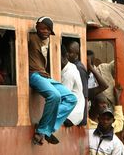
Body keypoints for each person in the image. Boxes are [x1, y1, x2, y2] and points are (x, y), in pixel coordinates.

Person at [29, 16, 77, 145]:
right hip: (34, 75)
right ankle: (42, 129)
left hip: (45, 76)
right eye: (42, 28)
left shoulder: (47, 41)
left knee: (72, 99)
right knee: (54, 95)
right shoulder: (32, 38)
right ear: (37, 27)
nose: (45, 31)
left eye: (47, 29)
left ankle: (47, 129)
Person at [60, 45, 86, 126]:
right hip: (76, 112)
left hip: (71, 116)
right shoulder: (72, 67)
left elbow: (62, 97)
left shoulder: (68, 74)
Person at [65, 41, 89, 126]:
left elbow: (84, 94)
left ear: (77, 53)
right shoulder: (72, 66)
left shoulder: (78, 68)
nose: (67, 54)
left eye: (70, 52)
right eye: (67, 52)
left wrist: (83, 118)